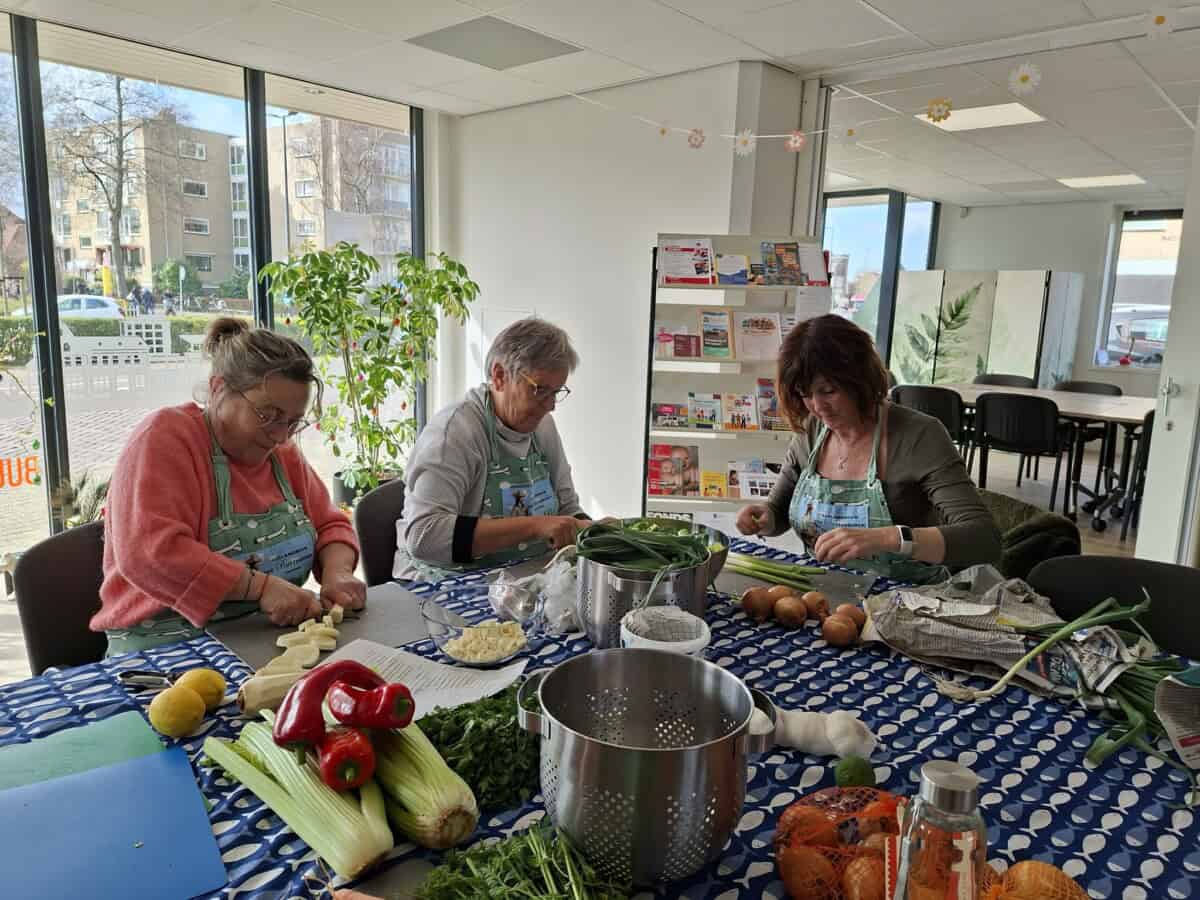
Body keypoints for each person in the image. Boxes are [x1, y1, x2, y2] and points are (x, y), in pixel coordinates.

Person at [92, 317, 366, 655]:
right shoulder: (166, 438)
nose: (280, 435)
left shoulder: (281, 453)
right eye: (267, 415)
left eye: (293, 422)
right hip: (164, 647)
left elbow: (330, 525)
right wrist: (261, 588)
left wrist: (337, 574)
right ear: (219, 388)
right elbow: (151, 553)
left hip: (258, 639)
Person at [736, 314, 1000, 582]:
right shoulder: (812, 430)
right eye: (805, 394)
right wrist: (765, 518)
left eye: (828, 391)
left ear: (859, 380)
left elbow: (983, 540)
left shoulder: (919, 436)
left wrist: (889, 538)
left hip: (909, 601)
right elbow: (779, 510)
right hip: (825, 594)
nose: (818, 406)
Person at [394, 317, 589, 581]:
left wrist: (594, 531)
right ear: (499, 376)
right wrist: (534, 527)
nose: (550, 405)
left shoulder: (542, 426)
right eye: (540, 389)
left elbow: (566, 508)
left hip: (519, 579)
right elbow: (425, 536)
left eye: (556, 392)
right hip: (448, 583)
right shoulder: (455, 433)